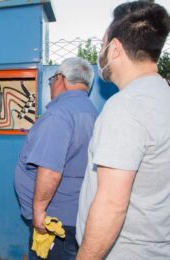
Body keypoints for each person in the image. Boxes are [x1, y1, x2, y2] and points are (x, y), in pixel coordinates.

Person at [76, 2, 170, 259]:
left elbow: (111, 205)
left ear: (115, 48)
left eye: (103, 44)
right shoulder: (162, 96)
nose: (100, 52)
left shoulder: (126, 107)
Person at [14, 57, 97, 259]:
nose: (50, 84)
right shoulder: (91, 111)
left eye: (51, 79)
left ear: (60, 78)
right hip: (75, 213)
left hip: (54, 219)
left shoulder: (59, 115)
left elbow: (50, 171)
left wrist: (40, 213)